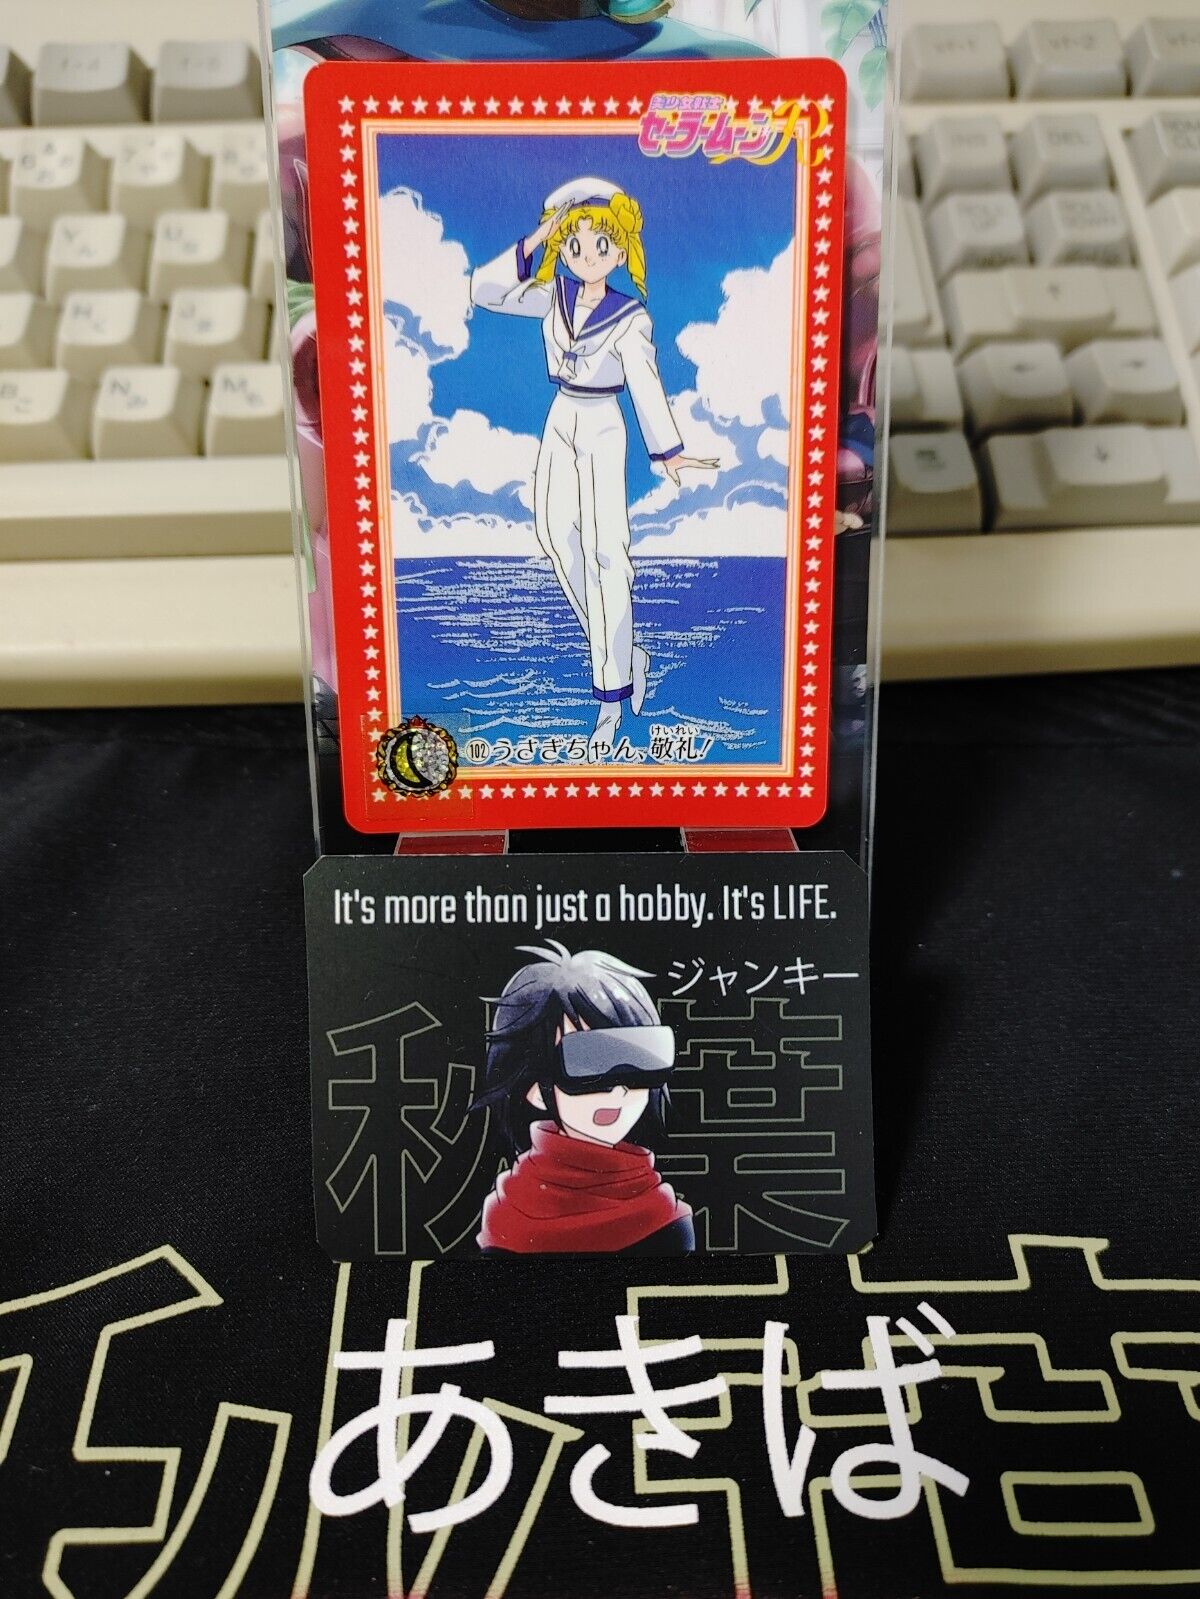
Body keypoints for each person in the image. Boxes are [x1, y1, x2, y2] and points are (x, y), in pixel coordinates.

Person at [471, 179, 717, 754]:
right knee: (555, 535)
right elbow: (484, 290)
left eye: (600, 245)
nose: (586, 255)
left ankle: (611, 697)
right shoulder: (550, 294)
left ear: (621, 251)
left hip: (604, 423)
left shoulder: (629, 316)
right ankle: (626, 653)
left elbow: (645, 382)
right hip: (561, 416)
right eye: (575, 243)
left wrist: (669, 451)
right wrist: (541, 233)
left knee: (608, 553)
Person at [473, 941, 695, 1254]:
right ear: (535, 1087)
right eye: (587, 1061)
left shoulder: (666, 1218)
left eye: (638, 1059)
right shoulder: (507, 1215)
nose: (618, 1088)